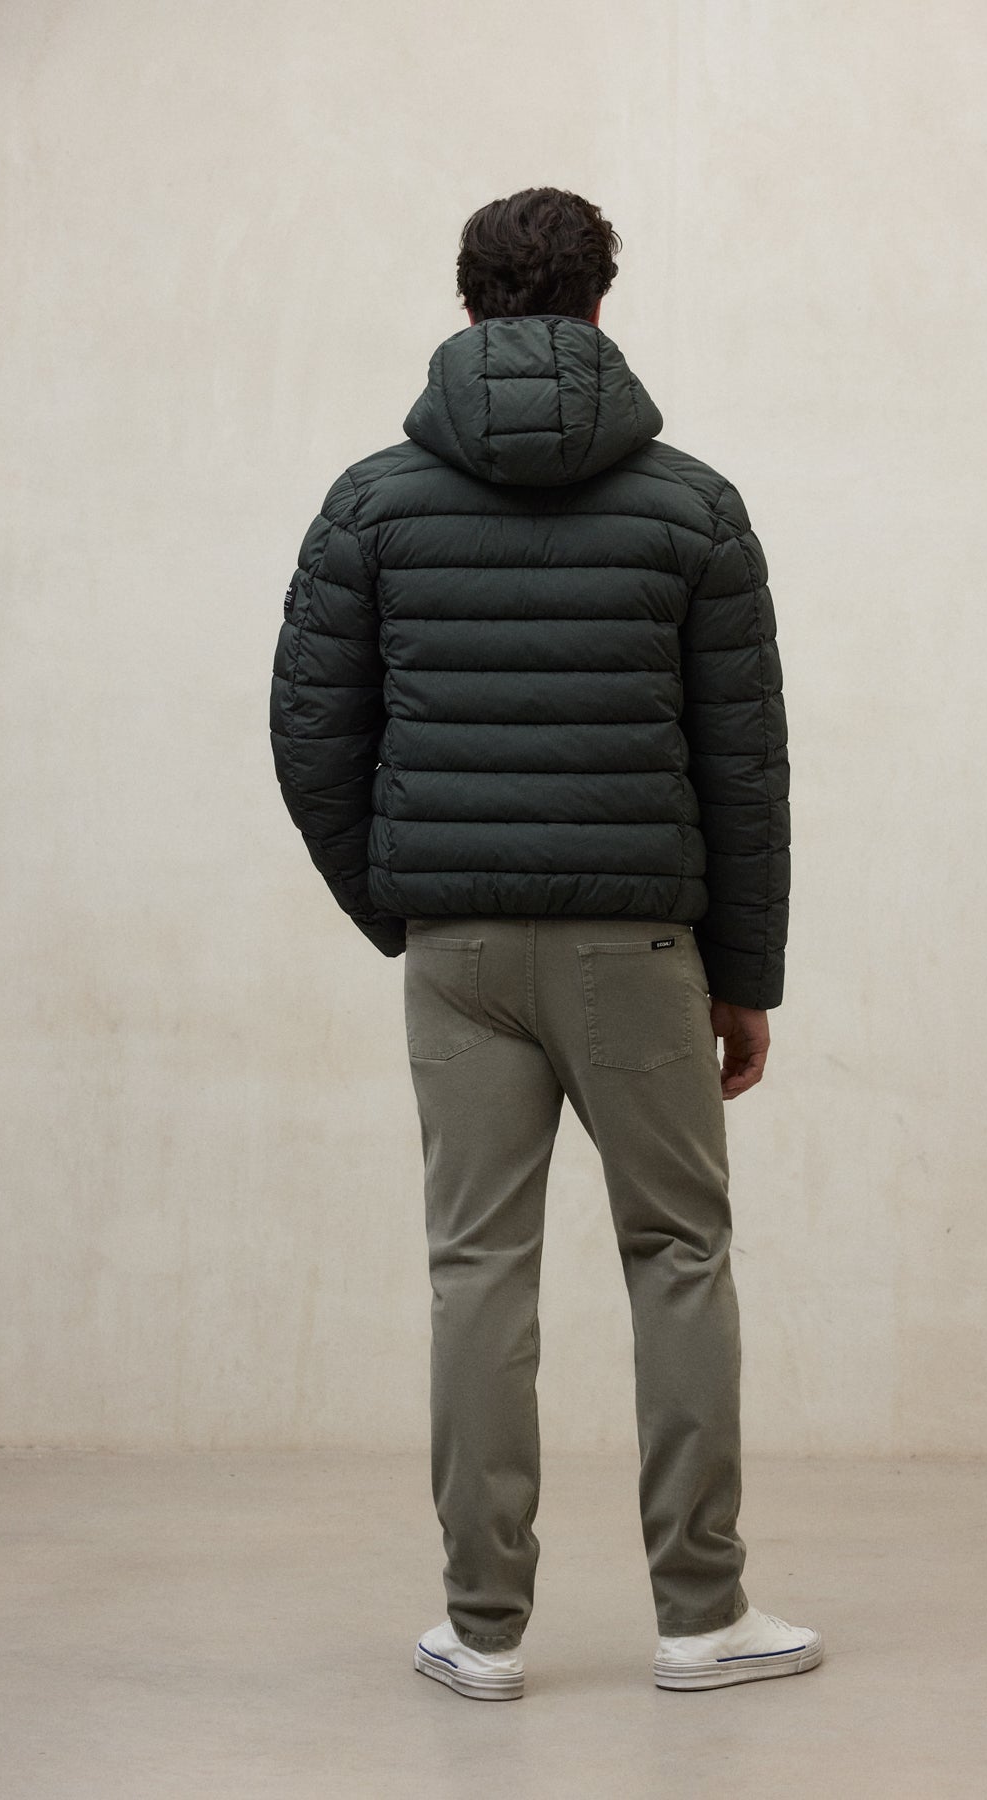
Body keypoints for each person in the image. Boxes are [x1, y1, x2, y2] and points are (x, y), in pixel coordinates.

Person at [270, 186, 822, 1700]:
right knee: (679, 1257)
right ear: (597, 305)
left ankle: (481, 1632)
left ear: (467, 307)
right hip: (638, 950)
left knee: (476, 1272)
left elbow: (311, 737)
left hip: (457, 953)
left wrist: (409, 903)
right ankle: (700, 1621)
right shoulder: (693, 508)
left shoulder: (371, 503)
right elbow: (744, 765)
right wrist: (745, 980)